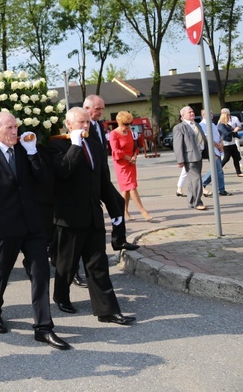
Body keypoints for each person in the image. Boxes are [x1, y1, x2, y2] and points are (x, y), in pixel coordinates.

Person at [0, 113, 70, 349]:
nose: (15, 131)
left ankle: (43, 327)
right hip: (4, 227)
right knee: (1, 274)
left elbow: (44, 180)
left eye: (16, 126)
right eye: (9, 127)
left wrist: (32, 153)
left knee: (40, 273)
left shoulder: (24, 148)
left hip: (32, 224)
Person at [48, 108, 136, 325]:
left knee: (98, 265)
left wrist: (116, 211)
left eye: (87, 122)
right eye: (81, 122)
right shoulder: (55, 145)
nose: (86, 126)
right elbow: (63, 171)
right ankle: (61, 295)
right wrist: (76, 145)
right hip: (68, 218)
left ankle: (107, 310)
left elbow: (102, 182)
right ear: (68, 124)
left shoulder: (95, 145)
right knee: (66, 264)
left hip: (93, 215)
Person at [83, 95, 138, 251]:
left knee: (118, 202)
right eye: (97, 109)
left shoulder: (99, 125)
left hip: (102, 176)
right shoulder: (83, 126)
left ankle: (119, 240)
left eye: (102, 108)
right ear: (87, 109)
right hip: (91, 178)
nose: (101, 112)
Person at [108, 111, 153, 221]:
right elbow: (116, 150)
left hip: (131, 163)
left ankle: (123, 211)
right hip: (121, 164)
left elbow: (134, 147)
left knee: (126, 189)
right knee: (132, 187)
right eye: (126, 124)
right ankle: (143, 211)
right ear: (119, 122)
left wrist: (134, 156)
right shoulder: (114, 134)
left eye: (130, 123)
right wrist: (128, 158)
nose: (128, 126)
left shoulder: (129, 133)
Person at [173, 106, 207, 210]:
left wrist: (210, 154)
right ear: (183, 116)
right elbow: (178, 145)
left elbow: (203, 140)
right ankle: (198, 202)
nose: (192, 113)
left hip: (199, 156)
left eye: (192, 111)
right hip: (189, 157)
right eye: (189, 112)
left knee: (193, 181)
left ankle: (192, 201)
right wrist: (180, 160)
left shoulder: (197, 125)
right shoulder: (179, 127)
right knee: (197, 180)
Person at [200, 110, 230, 197]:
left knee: (217, 170)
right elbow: (207, 138)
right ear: (204, 115)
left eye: (212, 113)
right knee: (218, 170)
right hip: (211, 149)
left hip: (217, 148)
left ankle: (218, 188)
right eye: (209, 113)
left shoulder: (212, 124)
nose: (211, 115)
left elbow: (218, 135)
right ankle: (219, 189)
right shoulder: (203, 125)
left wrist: (221, 144)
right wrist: (217, 145)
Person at [218, 109, 243, 177]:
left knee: (236, 157)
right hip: (226, 144)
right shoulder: (221, 125)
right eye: (227, 117)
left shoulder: (227, 125)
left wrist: (236, 133)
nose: (229, 118)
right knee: (226, 158)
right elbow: (226, 133)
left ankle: (239, 172)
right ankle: (217, 169)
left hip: (232, 143)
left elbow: (233, 131)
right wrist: (234, 131)